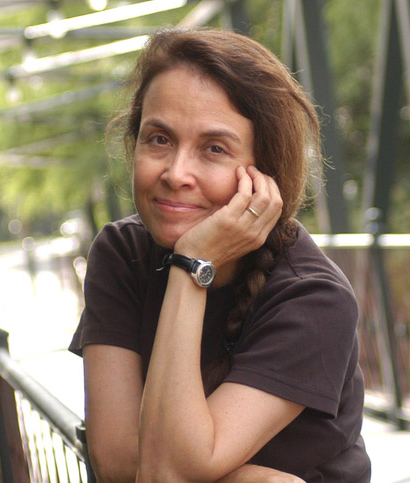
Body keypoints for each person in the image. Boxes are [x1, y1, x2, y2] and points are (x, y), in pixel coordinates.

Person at [69, 28, 371, 483]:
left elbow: (166, 472)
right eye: (159, 139)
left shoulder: (314, 299)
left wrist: (192, 267)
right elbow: (117, 463)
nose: (176, 173)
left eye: (214, 148)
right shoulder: (121, 252)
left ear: (264, 173)